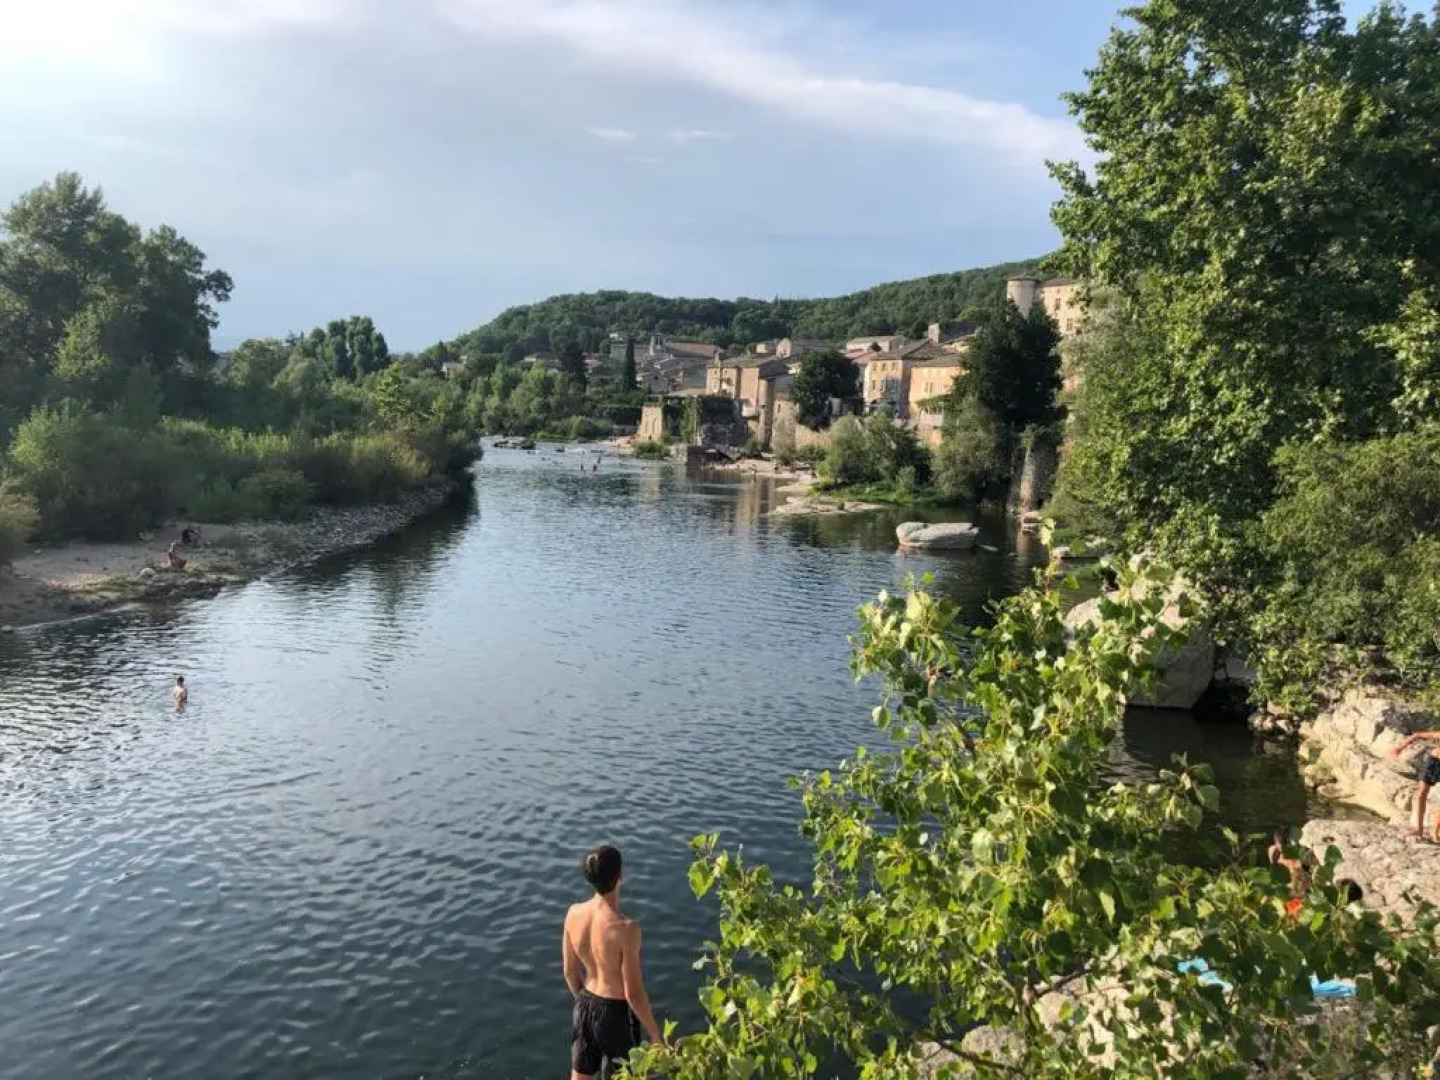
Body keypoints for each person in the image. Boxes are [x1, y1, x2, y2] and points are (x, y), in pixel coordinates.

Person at [562, 844, 663, 1079]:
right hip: (616, 1014)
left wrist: (586, 1006)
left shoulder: (573, 913)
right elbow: (634, 993)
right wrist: (655, 1035)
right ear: (621, 876)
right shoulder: (627, 929)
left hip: (584, 1003)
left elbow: (569, 971)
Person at [1389, 729, 1440, 840]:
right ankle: (1419, 829)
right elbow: (1417, 735)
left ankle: (1435, 832)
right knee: (1421, 794)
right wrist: (1400, 747)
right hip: (1434, 762)